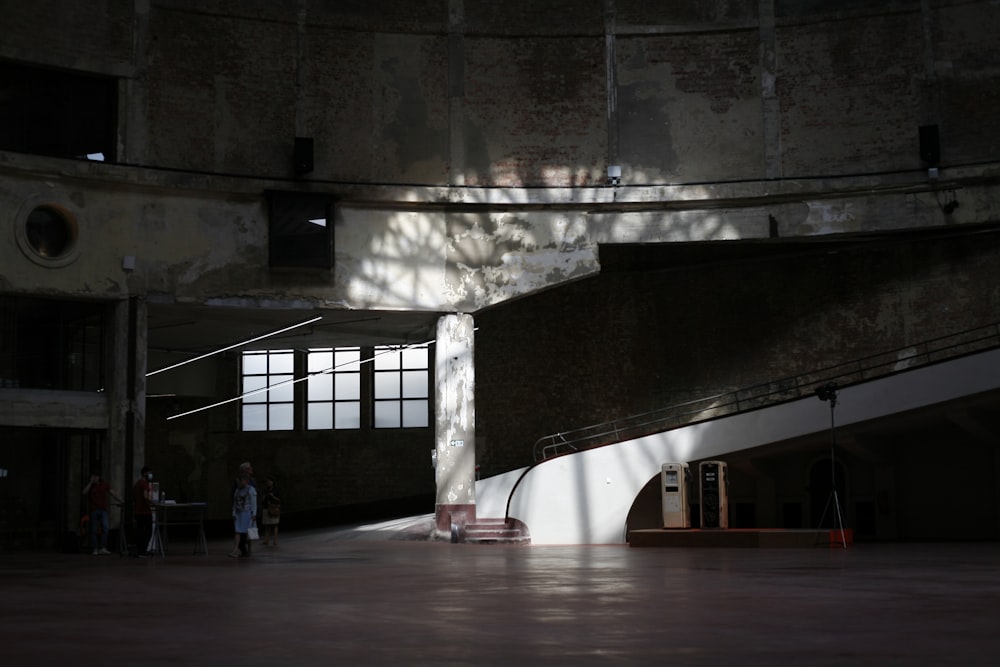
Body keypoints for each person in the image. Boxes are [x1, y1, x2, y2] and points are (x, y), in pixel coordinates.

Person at [82, 471, 122, 555]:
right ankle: (95, 548)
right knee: (94, 530)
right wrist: (90, 482)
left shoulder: (104, 485)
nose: (94, 479)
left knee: (106, 528)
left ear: (99, 477)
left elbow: (113, 493)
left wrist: (121, 500)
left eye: (95, 477)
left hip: (103, 510)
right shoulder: (91, 486)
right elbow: (84, 492)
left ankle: (103, 547)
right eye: (93, 477)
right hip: (94, 510)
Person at [230, 472, 257, 558]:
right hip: (239, 514)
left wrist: (254, 514)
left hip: (247, 514)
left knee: (247, 533)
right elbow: (235, 502)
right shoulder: (237, 490)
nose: (239, 483)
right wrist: (233, 512)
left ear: (245, 481)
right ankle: (235, 550)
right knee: (237, 531)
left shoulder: (251, 489)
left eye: (240, 481)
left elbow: (254, 503)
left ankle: (248, 550)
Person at [133, 466, 154, 557]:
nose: (151, 475)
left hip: (138, 511)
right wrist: (151, 503)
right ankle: (143, 550)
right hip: (145, 512)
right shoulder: (144, 483)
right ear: (145, 473)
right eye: (150, 473)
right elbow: (146, 496)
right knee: (148, 531)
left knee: (140, 531)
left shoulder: (137, 483)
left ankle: (140, 551)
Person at [260, 477, 281, 547]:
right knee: (267, 525)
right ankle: (266, 540)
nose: (269, 483)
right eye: (267, 481)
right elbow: (262, 500)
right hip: (266, 508)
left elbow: (279, 500)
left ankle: (275, 540)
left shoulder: (276, 490)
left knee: (275, 524)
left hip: (274, 508)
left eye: (270, 481)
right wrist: (265, 496)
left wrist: (273, 496)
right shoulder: (265, 490)